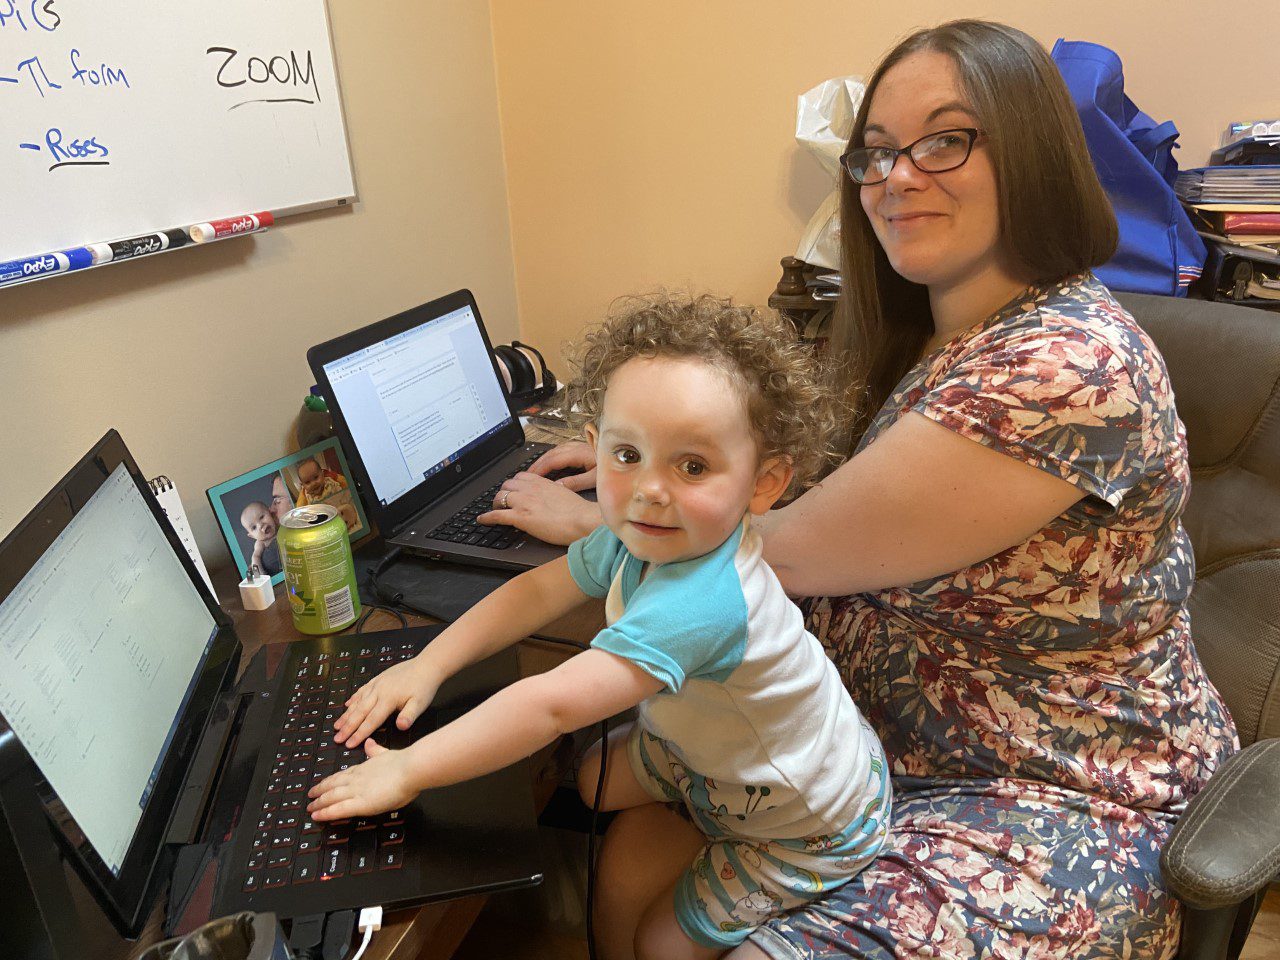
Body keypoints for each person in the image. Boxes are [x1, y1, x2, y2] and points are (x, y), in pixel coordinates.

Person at [478, 19, 1238, 959]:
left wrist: (604, 513)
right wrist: (652, 457)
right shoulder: (932, 331)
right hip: (871, 738)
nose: (897, 176)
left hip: (1052, 788)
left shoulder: (1064, 366)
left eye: (946, 139)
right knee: (631, 860)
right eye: (875, 151)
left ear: (1033, 154)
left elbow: (783, 550)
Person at [307, 294, 893, 957]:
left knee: (661, 946)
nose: (649, 488)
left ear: (765, 483)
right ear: (595, 448)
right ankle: (696, 782)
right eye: (626, 455)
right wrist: (428, 664)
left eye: (692, 465)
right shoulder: (640, 534)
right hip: (728, 743)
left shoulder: (702, 603)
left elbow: (550, 705)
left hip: (800, 819)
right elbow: (536, 591)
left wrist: (408, 772)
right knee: (590, 781)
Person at [239, 500, 281, 576]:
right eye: (254, 527)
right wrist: (260, 575)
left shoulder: (280, 526)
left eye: (261, 517)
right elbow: (255, 557)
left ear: (270, 513)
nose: (260, 525)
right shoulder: (260, 543)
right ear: (252, 536)